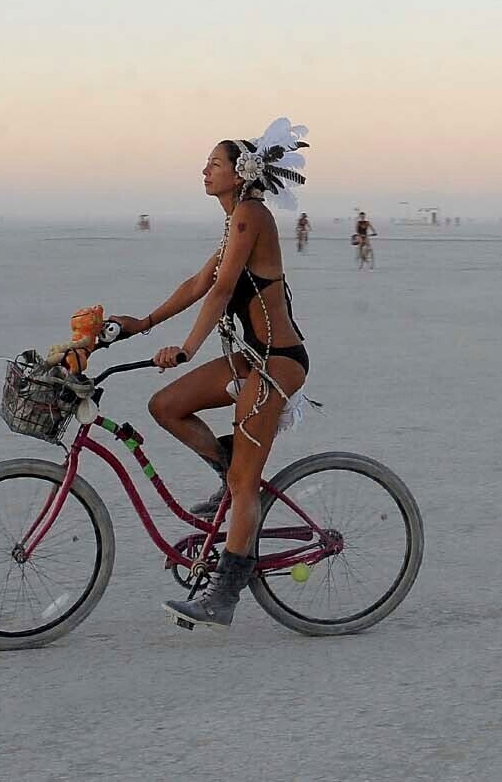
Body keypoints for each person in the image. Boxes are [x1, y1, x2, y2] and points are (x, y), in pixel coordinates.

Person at [106, 118, 312, 629]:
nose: (205, 170)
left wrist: (189, 348)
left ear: (240, 173)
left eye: (214, 163)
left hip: (276, 363)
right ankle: (231, 472)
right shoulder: (235, 221)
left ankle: (224, 595)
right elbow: (202, 281)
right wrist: (144, 324)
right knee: (166, 406)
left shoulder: (250, 214)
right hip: (250, 358)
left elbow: (221, 292)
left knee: (247, 485)